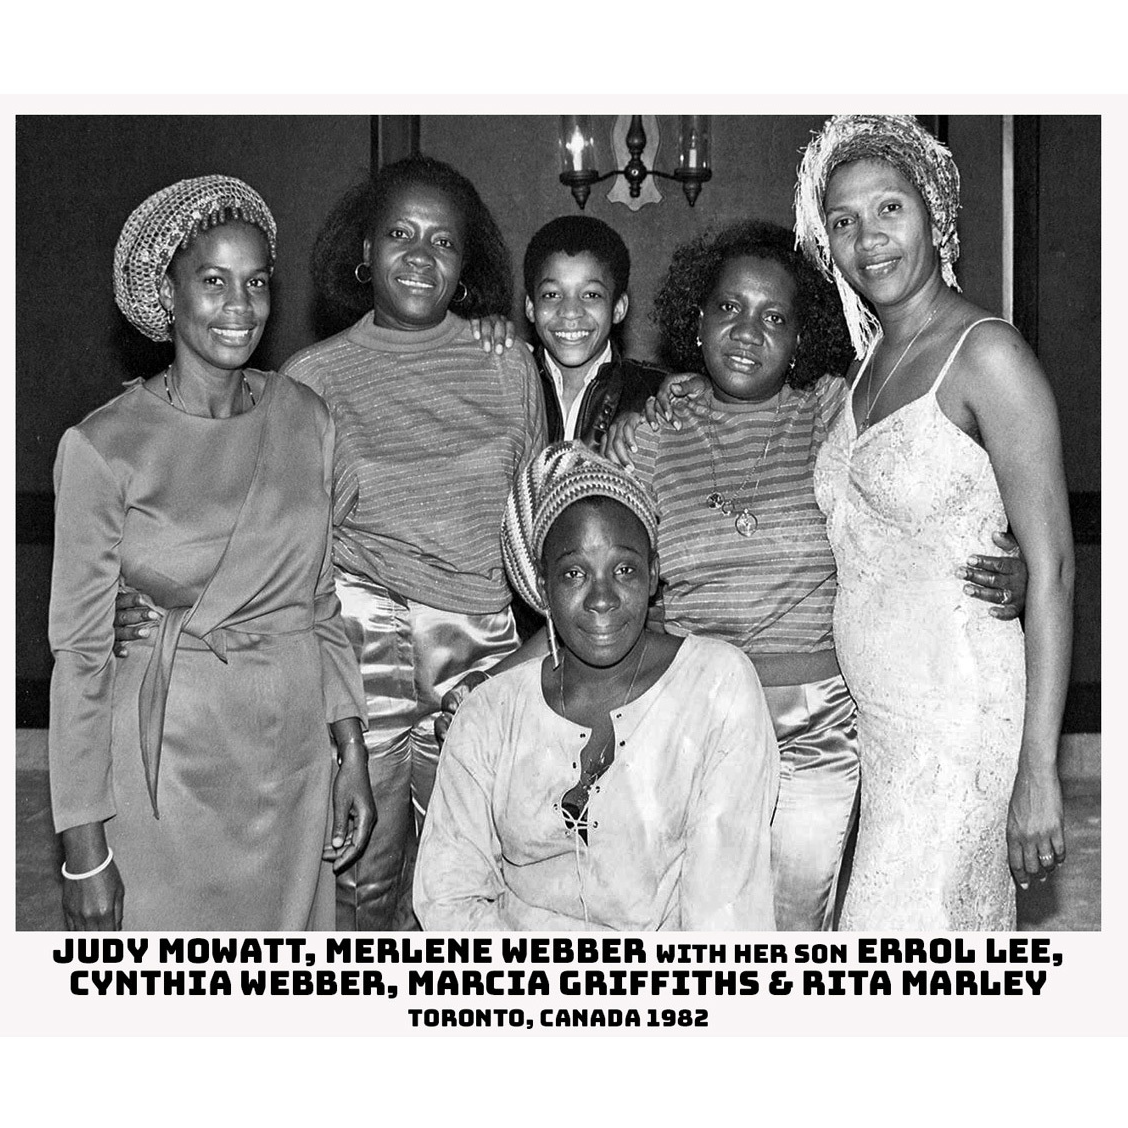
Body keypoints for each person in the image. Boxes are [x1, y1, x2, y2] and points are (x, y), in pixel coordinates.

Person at [603, 219, 1029, 931]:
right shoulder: (648, 437)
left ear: (801, 338)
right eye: (728, 308)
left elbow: (931, 481)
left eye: (775, 317)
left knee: (796, 923)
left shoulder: (837, 409)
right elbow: (609, 580)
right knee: (698, 921)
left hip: (816, 723)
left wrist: (1007, 553)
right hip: (694, 713)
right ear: (696, 320)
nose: (747, 331)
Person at [48, 175, 374, 930]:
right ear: (168, 293)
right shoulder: (101, 446)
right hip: (169, 767)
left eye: (256, 282)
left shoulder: (306, 417)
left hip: (293, 758)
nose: (240, 305)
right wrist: (83, 850)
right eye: (214, 281)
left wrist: (350, 750)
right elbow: (81, 658)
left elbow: (319, 602)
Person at [795, 114, 1073, 929]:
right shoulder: (862, 367)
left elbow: (1054, 569)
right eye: (844, 221)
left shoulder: (988, 355)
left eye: (890, 208)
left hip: (961, 717)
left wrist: (1040, 771)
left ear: (935, 216)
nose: (868, 237)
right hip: (880, 727)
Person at [280, 156, 546, 930]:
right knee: (362, 872)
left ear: (465, 267)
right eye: (400, 234)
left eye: (443, 241)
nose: (421, 256)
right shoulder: (313, 377)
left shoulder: (507, 364)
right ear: (366, 250)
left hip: (483, 638)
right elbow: (278, 538)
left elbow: (532, 517)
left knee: (469, 872)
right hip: (366, 634)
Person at [414, 443, 778, 930]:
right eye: (574, 574)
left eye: (624, 569)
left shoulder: (717, 688)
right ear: (543, 587)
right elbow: (449, 898)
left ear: (653, 574)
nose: (602, 598)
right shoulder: (491, 714)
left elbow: (723, 915)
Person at [523, 216, 663, 452]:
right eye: (552, 294)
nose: (570, 312)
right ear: (530, 307)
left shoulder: (654, 393)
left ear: (618, 308)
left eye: (591, 295)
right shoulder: (508, 384)